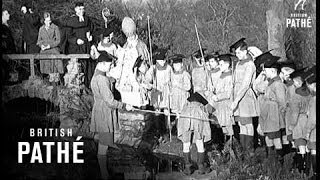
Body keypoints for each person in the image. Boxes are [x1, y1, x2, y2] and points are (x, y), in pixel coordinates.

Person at [90, 52, 133, 180]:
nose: (111, 66)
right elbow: (110, 101)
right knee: (104, 144)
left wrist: (111, 80)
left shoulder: (97, 75)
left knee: (103, 143)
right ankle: (104, 174)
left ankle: (103, 171)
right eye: (109, 64)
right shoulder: (102, 80)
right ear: (102, 64)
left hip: (99, 110)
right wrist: (124, 106)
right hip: (105, 113)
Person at [229, 38, 259, 156]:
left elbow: (245, 84)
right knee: (241, 124)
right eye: (236, 53)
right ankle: (242, 150)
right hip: (237, 94)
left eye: (239, 53)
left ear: (245, 51)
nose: (237, 55)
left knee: (248, 124)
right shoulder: (238, 64)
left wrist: (236, 101)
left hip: (245, 96)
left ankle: (249, 150)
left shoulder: (250, 64)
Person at [256, 54, 287, 164]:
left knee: (276, 139)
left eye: (266, 70)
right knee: (269, 137)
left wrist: (280, 118)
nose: (265, 72)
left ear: (273, 71)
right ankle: (271, 158)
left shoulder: (278, 84)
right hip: (268, 115)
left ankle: (279, 160)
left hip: (274, 116)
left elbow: (282, 103)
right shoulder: (270, 82)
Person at [178, 92, 211, 175]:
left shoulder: (185, 107)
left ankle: (188, 168)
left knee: (186, 143)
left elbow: (180, 120)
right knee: (199, 142)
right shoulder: (201, 107)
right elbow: (207, 118)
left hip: (186, 119)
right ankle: (201, 167)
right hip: (197, 119)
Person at [64, 1, 95, 88]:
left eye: (83, 9)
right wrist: (76, 40)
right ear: (75, 9)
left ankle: (88, 86)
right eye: (80, 9)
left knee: (88, 67)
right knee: (78, 68)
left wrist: (90, 36)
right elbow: (68, 36)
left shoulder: (87, 19)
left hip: (86, 46)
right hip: (76, 48)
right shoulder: (71, 21)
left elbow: (91, 30)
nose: (82, 11)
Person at [206, 54, 235, 139]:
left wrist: (217, 97)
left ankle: (231, 145)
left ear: (227, 65)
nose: (219, 66)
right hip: (220, 105)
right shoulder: (222, 75)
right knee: (223, 126)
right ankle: (225, 145)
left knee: (228, 126)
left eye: (221, 64)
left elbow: (228, 93)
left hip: (226, 104)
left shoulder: (229, 76)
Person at [37, 12, 63, 85]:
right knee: (43, 59)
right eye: (47, 20)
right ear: (44, 21)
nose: (49, 22)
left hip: (53, 48)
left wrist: (50, 46)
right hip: (44, 50)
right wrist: (41, 45)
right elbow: (38, 41)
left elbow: (58, 41)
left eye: (50, 20)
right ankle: (46, 79)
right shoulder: (41, 29)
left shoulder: (55, 27)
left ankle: (56, 81)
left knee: (55, 65)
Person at [304, 67, 316, 179]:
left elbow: (313, 119)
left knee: (314, 150)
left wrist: (307, 131)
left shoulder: (314, 99)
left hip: (314, 132)